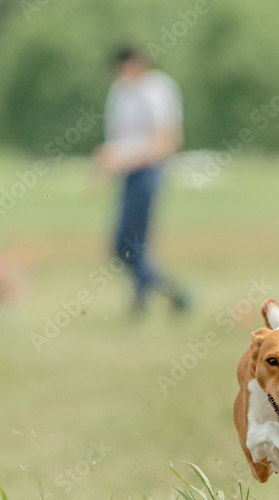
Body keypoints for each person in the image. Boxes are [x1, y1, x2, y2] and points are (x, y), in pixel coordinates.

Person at [95, 47, 189, 314]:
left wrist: (124, 158)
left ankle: (169, 292)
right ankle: (150, 295)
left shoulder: (158, 90)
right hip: (127, 173)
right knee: (126, 245)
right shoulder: (120, 92)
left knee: (130, 244)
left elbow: (166, 141)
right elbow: (119, 137)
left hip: (148, 172)